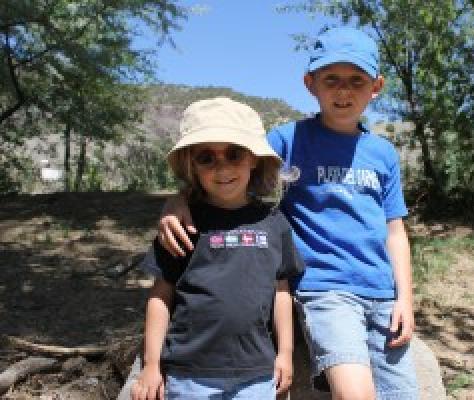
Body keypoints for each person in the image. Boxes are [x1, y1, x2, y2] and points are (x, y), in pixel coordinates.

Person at [158, 27, 419, 399]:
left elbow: (395, 230)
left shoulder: (383, 153)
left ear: (376, 86)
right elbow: (230, 167)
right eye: (331, 79)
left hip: (382, 292)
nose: (343, 91)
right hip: (326, 289)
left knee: (403, 393)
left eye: (356, 80)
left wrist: (405, 299)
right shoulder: (288, 139)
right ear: (310, 83)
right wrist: (178, 201)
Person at [131, 97, 304, 400]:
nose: (222, 167)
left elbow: (281, 291)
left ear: (253, 158)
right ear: (192, 165)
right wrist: (152, 364)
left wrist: (285, 353)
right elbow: (161, 295)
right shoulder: (181, 224)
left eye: (234, 154)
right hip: (189, 373)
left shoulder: (274, 223)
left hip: (257, 372)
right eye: (206, 157)